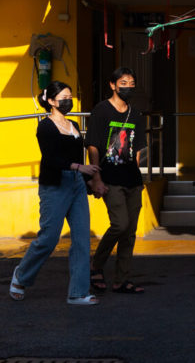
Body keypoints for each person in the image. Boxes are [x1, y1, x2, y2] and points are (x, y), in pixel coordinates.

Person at [9, 81, 101, 305]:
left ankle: (78, 293)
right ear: (51, 101)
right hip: (55, 185)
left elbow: (80, 160)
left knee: (81, 239)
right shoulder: (45, 127)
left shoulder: (74, 125)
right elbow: (51, 159)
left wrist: (91, 181)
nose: (68, 100)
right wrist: (78, 167)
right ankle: (21, 276)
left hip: (77, 184)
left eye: (70, 96)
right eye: (63, 97)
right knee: (49, 238)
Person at [87, 67, 147, 294]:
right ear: (112, 85)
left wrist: (136, 172)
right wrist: (96, 177)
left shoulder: (136, 114)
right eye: (123, 82)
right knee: (120, 224)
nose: (128, 87)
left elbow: (138, 148)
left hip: (132, 179)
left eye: (131, 83)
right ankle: (96, 264)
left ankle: (122, 279)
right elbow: (93, 145)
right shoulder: (101, 111)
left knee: (130, 231)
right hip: (109, 178)